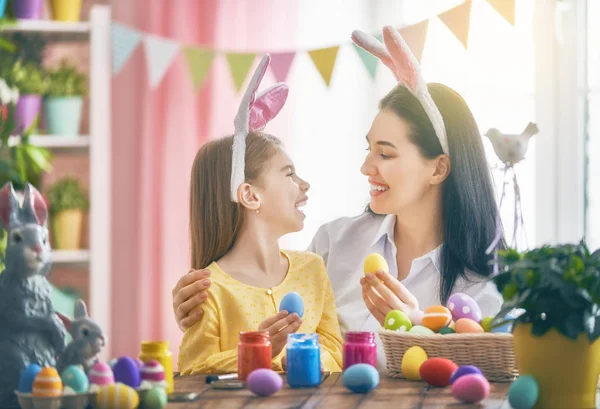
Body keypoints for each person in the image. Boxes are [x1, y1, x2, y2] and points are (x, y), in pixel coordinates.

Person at [172, 27, 503, 369]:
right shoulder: (332, 245)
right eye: (368, 149)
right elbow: (270, 324)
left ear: (438, 169)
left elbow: (484, 375)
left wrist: (416, 327)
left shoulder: (483, 281)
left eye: (385, 155)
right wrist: (204, 313)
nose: (365, 167)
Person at [177, 55, 343, 375]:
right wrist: (257, 349)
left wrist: (284, 358)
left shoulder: (312, 270)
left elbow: (335, 352)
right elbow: (192, 370)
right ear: (251, 195)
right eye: (289, 173)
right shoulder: (208, 289)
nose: (304, 184)